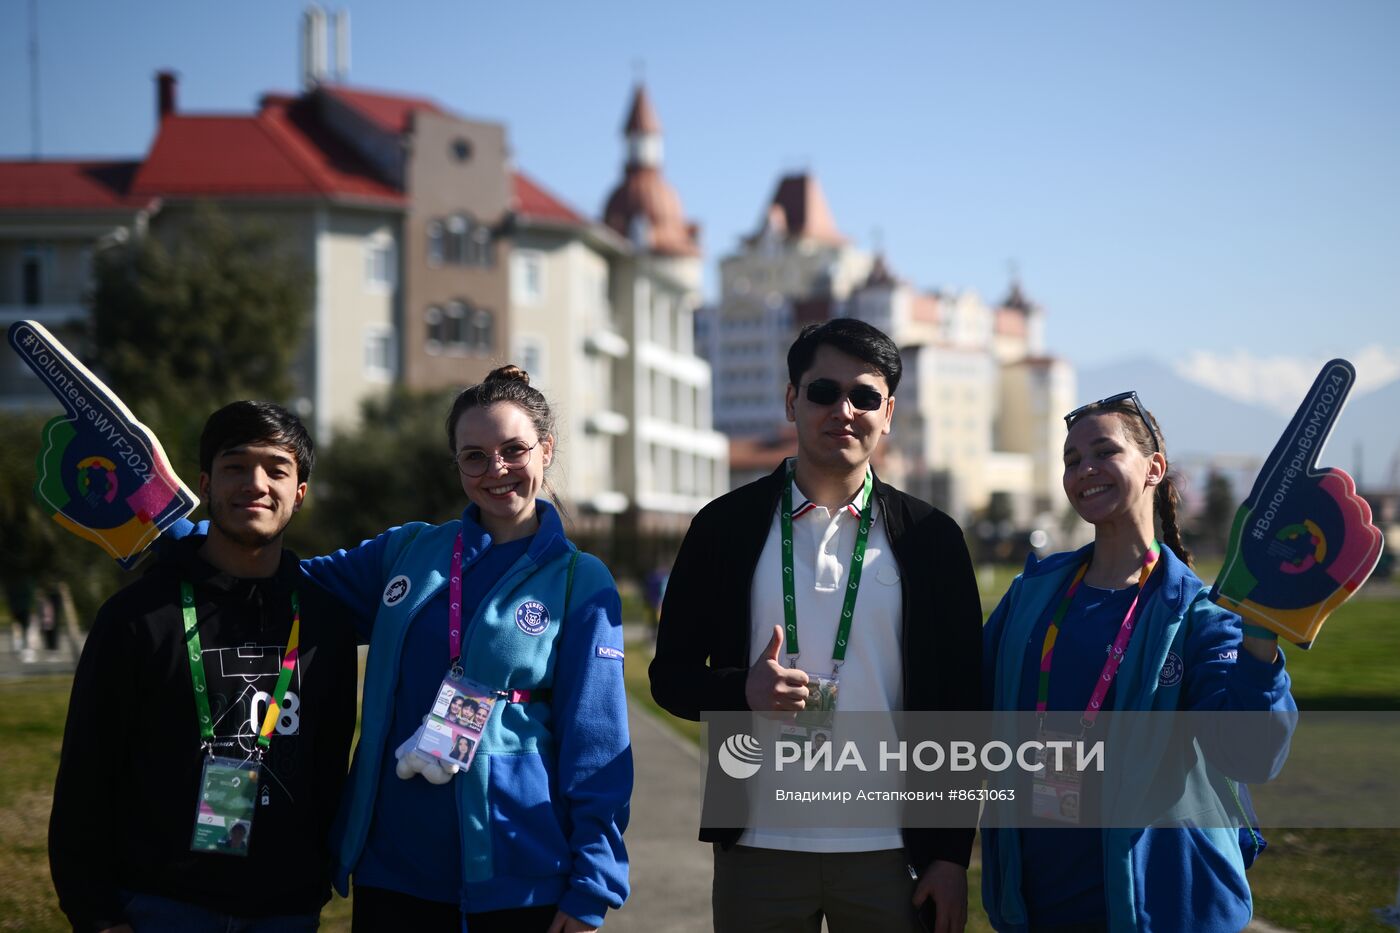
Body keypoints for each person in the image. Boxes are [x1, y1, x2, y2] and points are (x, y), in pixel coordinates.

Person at [650, 318, 984, 933]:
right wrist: (739, 692)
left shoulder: (932, 539)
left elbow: (964, 704)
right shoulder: (723, 527)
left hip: (892, 853)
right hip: (755, 844)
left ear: (889, 413)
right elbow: (668, 677)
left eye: (864, 396)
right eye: (823, 392)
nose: (844, 410)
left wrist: (948, 855)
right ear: (791, 401)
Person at [301, 365, 631, 933]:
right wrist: (184, 529)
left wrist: (592, 884)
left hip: (518, 873)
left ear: (545, 450)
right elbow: (280, 582)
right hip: (393, 870)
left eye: (514, 449)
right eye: (474, 456)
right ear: (456, 465)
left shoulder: (580, 579)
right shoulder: (407, 552)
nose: (496, 469)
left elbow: (598, 747)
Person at [980, 391, 1297, 932]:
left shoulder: (1199, 615)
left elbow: (1249, 755)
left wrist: (1263, 635)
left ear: (1154, 468)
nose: (1086, 469)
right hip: (1042, 904)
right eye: (1072, 459)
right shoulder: (1031, 596)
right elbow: (960, 702)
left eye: (1105, 452)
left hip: (1164, 910)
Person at [49, 401, 362, 932]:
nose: (255, 483)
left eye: (276, 469)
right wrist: (95, 914)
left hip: (284, 913)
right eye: (235, 466)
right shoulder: (138, 617)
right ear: (205, 483)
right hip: (157, 906)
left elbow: (328, 768)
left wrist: (310, 883)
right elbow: (86, 774)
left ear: (300, 492)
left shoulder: (325, 624)